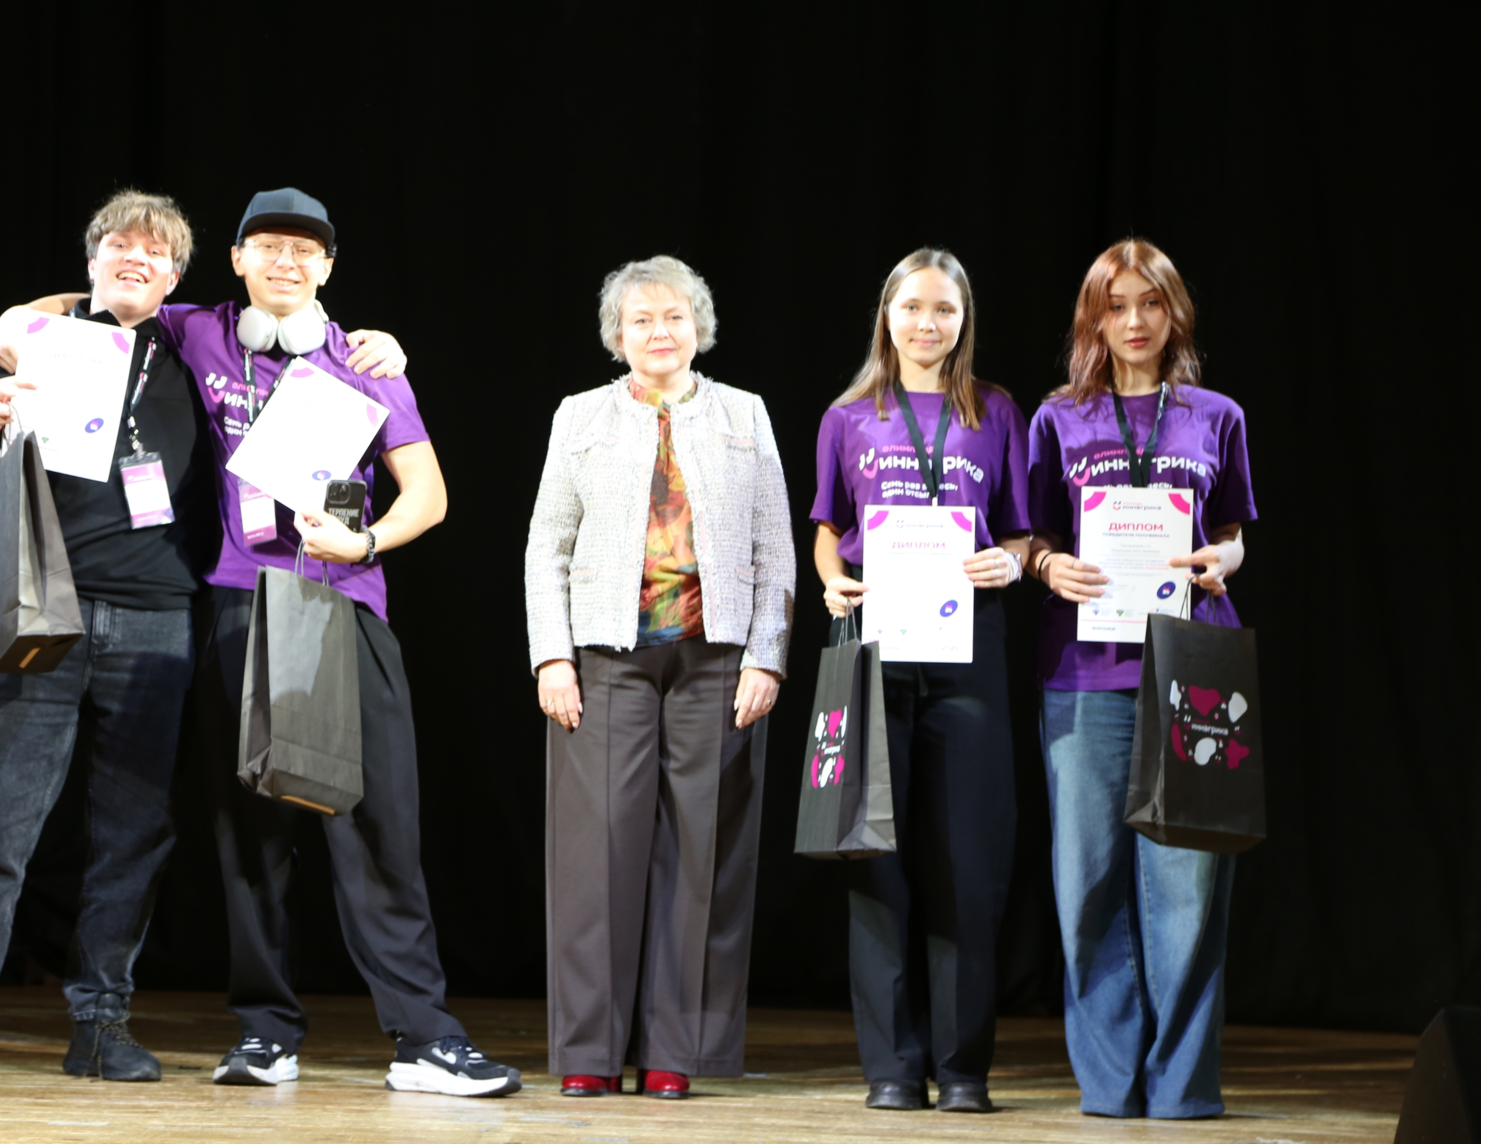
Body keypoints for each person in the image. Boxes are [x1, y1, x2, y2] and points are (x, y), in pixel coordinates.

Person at [0, 189, 403, 1083]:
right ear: (91, 261)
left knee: (133, 837)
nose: (136, 259)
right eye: (119, 245)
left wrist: (376, 346)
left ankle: (102, 1024)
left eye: (156, 252)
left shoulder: (198, 351)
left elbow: (305, 348)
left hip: (161, 626)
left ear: (176, 276)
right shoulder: (37, 342)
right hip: (46, 615)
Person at [161, 188, 522, 1097]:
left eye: (306, 250)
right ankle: (265, 1034)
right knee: (251, 829)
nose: (287, 261)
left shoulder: (364, 361)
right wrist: (20, 319)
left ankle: (423, 1038)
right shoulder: (195, 331)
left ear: (328, 267)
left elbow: (429, 495)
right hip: (241, 604)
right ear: (237, 259)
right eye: (268, 246)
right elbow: (74, 315)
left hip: (343, 604)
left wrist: (364, 542)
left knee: (377, 825)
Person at [524, 255, 793, 1100]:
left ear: (698, 327)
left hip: (715, 658)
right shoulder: (580, 415)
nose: (659, 331)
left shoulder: (744, 413)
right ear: (617, 335)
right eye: (640, 319)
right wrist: (552, 654)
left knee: (701, 852)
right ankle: (589, 1051)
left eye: (674, 316)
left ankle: (678, 1050)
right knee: (596, 853)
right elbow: (546, 546)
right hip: (606, 658)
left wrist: (767, 655)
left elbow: (776, 548)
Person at [1025, 238, 1256, 1119]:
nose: (1134, 321)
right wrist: (1048, 566)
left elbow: (1233, 534)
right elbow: (1033, 535)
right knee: (1084, 882)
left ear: (1173, 313)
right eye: (1116, 305)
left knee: (1187, 886)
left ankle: (1182, 1086)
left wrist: (1221, 560)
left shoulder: (1216, 416)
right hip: (1084, 674)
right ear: (1094, 317)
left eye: (1150, 303)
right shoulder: (1058, 420)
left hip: (1191, 670)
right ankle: (1110, 1084)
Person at [809, 248, 1029, 1114]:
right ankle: (893, 1068)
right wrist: (831, 580)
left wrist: (1010, 563)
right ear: (887, 316)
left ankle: (964, 1068)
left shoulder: (995, 411)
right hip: (875, 647)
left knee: (968, 864)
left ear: (963, 318)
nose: (926, 324)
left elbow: (1018, 531)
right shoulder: (847, 416)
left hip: (968, 648)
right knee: (876, 862)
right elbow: (828, 527)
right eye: (912, 308)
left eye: (943, 309)